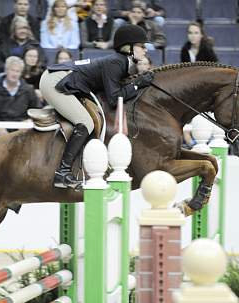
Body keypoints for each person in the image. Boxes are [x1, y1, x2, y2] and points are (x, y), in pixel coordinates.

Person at [39, 24, 154, 188]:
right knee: (86, 122)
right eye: (141, 46)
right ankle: (62, 173)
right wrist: (137, 85)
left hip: (63, 78)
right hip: (55, 80)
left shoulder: (120, 61)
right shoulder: (117, 62)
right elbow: (114, 99)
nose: (145, 50)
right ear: (128, 47)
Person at [0, 56, 41, 142]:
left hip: (21, 125)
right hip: (0, 124)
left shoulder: (28, 89)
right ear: (6, 71)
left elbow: (37, 109)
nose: (15, 74)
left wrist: (29, 121)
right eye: (12, 70)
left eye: (18, 71)